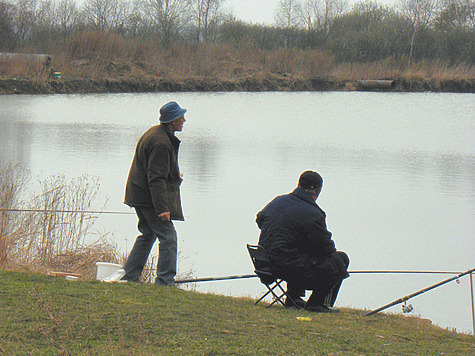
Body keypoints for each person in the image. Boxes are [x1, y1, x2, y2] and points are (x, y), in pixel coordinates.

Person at [255, 171, 349, 313]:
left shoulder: (278, 201)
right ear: (318, 190)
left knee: (298, 252)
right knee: (339, 259)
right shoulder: (313, 213)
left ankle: (293, 298)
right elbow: (325, 247)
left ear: (298, 184)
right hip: (286, 266)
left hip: (265, 263)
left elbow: (259, 220)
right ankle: (317, 303)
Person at [121, 101, 187, 286]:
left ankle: (129, 276)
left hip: (139, 194)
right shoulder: (161, 143)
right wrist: (162, 209)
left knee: (148, 233)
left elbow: (155, 174)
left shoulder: (156, 134)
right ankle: (165, 281)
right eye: (181, 117)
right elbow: (156, 179)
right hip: (148, 198)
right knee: (168, 237)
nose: (184, 120)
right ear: (173, 121)